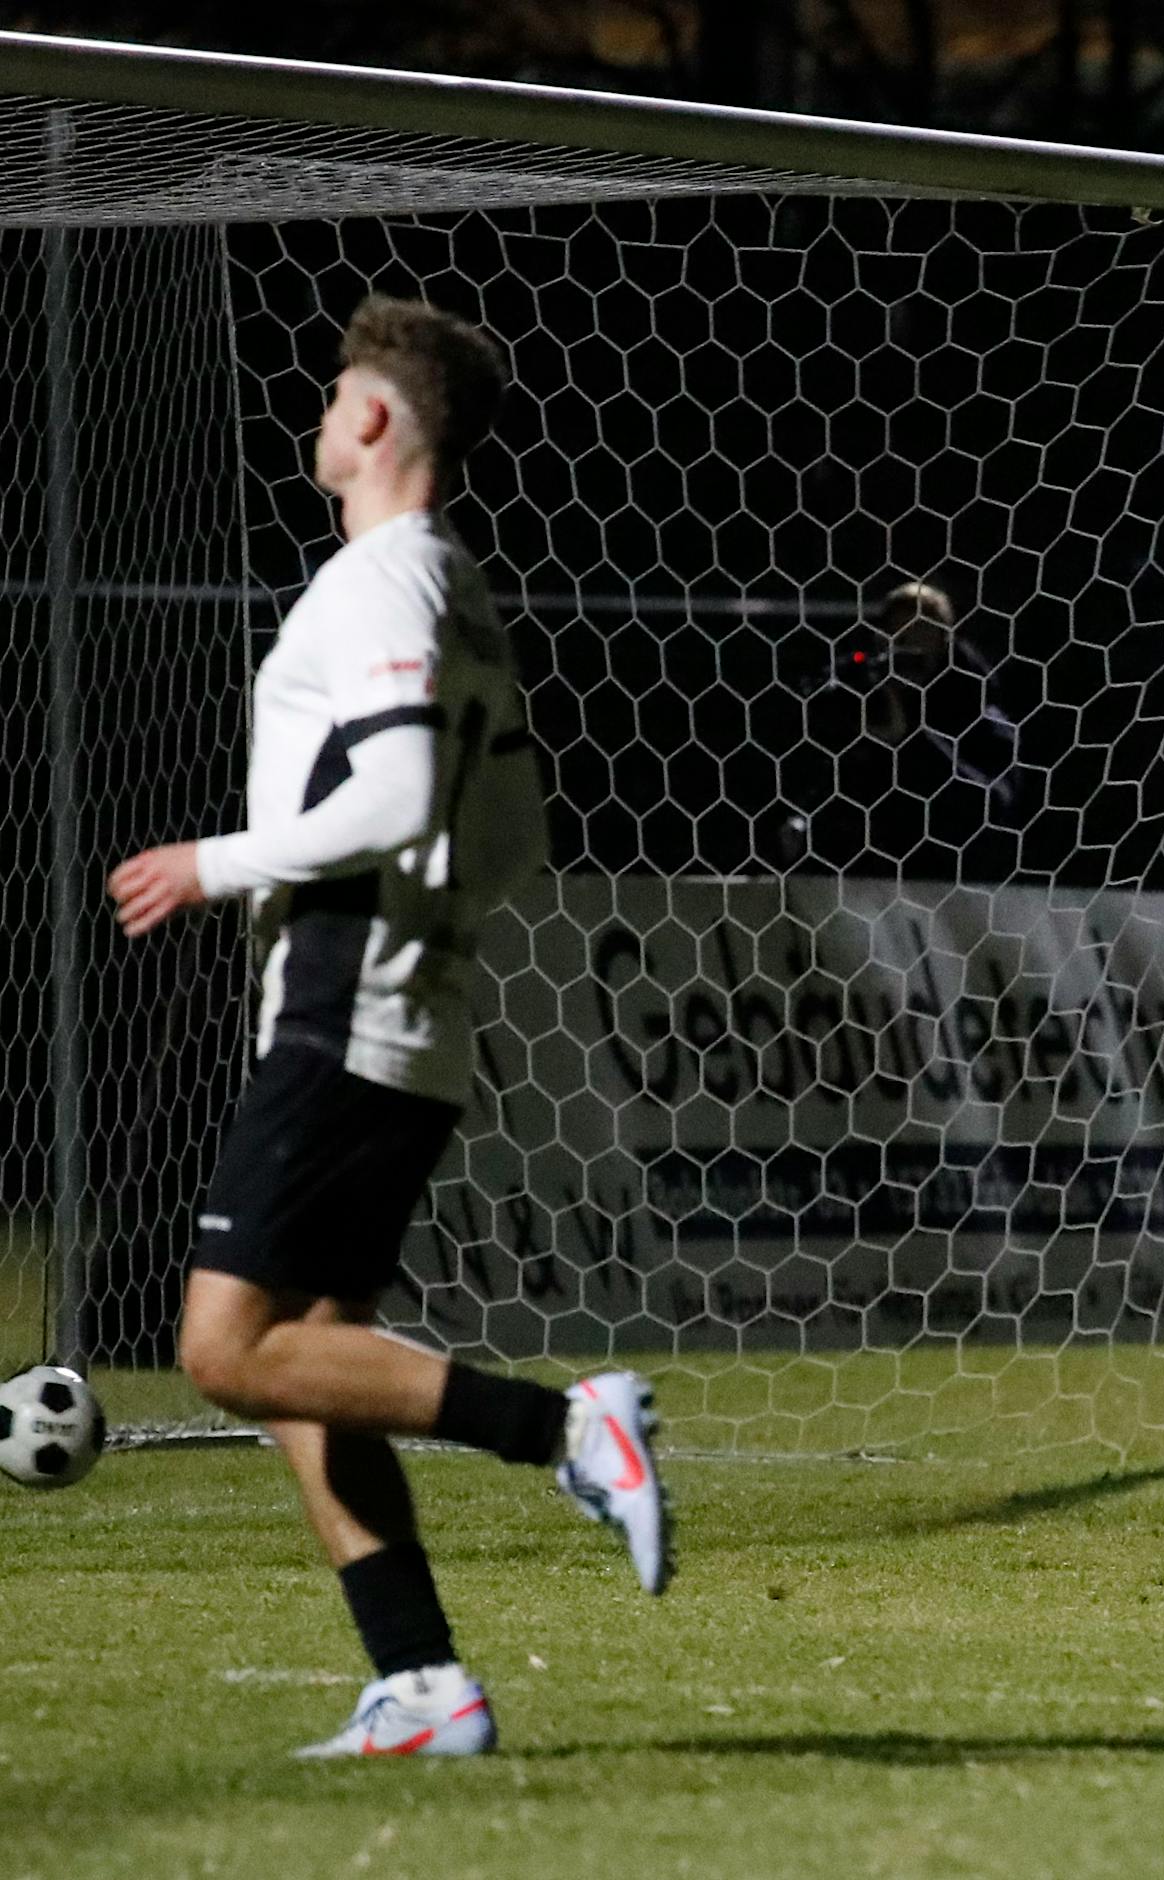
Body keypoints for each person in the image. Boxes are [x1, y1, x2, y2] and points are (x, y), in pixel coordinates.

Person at [106, 296, 668, 1760]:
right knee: (312, 1361)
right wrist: (424, 924)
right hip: (409, 1009)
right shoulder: (457, 590)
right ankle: (420, 1682)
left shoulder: (376, 584)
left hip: (346, 1006)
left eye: (334, 393)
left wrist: (215, 862)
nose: (319, 415)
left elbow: (402, 799)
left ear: (370, 421)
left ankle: (568, 1433)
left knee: (226, 1354)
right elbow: (511, 837)